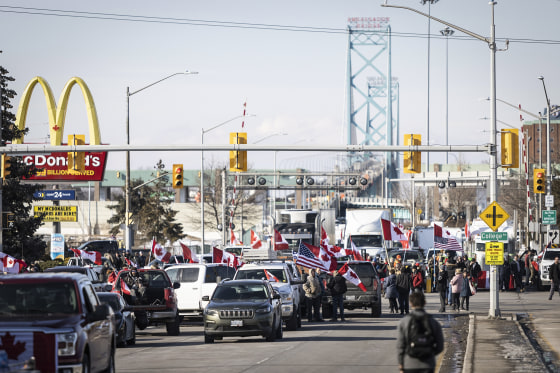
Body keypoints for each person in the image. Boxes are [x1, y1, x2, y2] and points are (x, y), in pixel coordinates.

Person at [396, 292, 444, 373]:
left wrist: (401, 364)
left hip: (409, 365)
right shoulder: (433, 322)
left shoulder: (404, 322)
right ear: (424, 303)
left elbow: (400, 346)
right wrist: (429, 353)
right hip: (428, 365)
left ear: (410, 303)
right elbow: (440, 346)